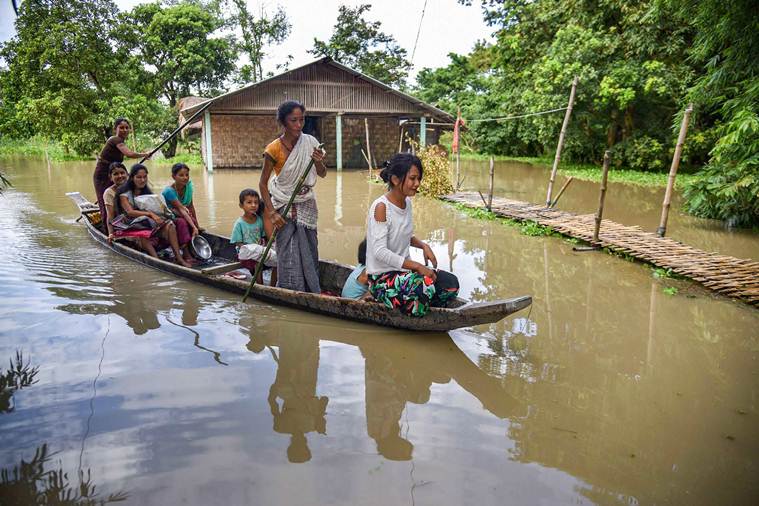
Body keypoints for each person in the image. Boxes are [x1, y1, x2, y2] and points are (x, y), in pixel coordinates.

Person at [365, 153, 459, 317]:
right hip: (382, 278)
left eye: (419, 179)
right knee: (423, 287)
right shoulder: (381, 207)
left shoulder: (407, 202)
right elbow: (379, 251)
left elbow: (404, 235)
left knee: (451, 284)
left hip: (403, 274)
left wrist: (423, 245)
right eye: (413, 178)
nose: (417, 184)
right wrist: (416, 266)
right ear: (395, 179)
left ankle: (413, 304)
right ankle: (385, 298)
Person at [259, 100, 327, 293]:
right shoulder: (273, 149)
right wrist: (272, 213)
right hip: (283, 203)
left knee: (310, 248)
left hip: (306, 203)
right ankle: (289, 289)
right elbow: (263, 184)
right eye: (293, 120)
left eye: (302, 120)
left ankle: (311, 288)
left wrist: (318, 161)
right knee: (287, 251)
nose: (298, 125)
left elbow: (322, 173)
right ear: (283, 122)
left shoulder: (311, 143)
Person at [116, 164, 192, 268]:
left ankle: (179, 258)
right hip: (131, 226)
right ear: (132, 178)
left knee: (170, 225)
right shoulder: (124, 194)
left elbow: (157, 209)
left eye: (144, 177)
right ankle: (156, 260)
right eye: (139, 177)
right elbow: (130, 212)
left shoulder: (147, 192)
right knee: (142, 233)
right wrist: (150, 214)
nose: (142, 180)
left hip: (149, 223)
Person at [93, 118, 150, 226]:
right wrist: (144, 154)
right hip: (102, 174)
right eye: (121, 127)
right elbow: (129, 154)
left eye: (126, 128)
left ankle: (122, 223)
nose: (124, 130)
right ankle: (108, 229)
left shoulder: (121, 142)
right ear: (116, 129)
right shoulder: (115, 139)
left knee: (119, 198)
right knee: (105, 201)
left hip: (115, 173)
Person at [230, 189, 277, 285]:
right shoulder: (239, 223)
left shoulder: (259, 220)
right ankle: (260, 285)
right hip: (245, 253)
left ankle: (272, 286)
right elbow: (238, 243)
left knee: (277, 260)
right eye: (249, 202)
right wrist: (251, 249)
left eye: (256, 202)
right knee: (257, 262)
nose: (253, 205)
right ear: (241, 205)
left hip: (258, 250)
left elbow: (263, 237)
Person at [162, 162, 201, 234]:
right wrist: (194, 227)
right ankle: (184, 244)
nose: (185, 178)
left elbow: (191, 206)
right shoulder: (169, 191)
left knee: (193, 221)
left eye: (187, 175)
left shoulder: (188, 187)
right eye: (181, 175)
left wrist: (197, 226)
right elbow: (181, 209)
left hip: (185, 214)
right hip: (173, 216)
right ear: (173, 177)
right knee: (182, 223)